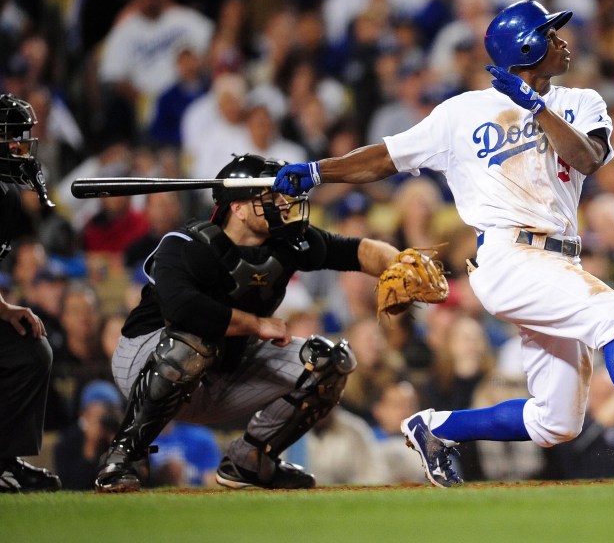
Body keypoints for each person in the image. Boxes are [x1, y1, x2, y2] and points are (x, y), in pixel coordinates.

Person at [274, 0, 614, 487]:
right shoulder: (461, 112)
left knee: (557, 421)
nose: (562, 41)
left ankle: (435, 427)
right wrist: (318, 172)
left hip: (559, 261)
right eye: (551, 34)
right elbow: (386, 157)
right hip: (509, 256)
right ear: (528, 46)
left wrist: (536, 108)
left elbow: (589, 158)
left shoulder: (580, 103)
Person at [95, 154, 404, 493]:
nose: (282, 203)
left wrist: (400, 264)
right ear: (238, 208)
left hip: (224, 367)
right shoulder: (185, 245)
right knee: (194, 340)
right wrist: (256, 324)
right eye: (269, 197)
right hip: (145, 359)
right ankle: (123, 455)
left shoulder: (288, 242)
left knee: (329, 361)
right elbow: (183, 309)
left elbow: (354, 251)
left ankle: (251, 460)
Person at [0, 93, 61, 493]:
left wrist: (3, 308)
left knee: (30, 349)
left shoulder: (4, 193)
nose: (20, 147)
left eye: (22, 137)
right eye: (12, 137)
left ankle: (5, 462)